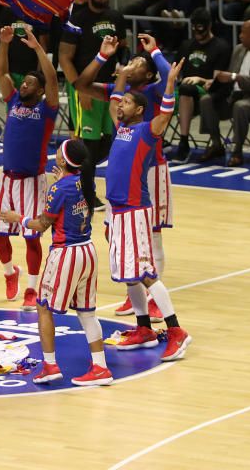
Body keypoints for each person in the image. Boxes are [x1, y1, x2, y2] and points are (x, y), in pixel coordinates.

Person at [101, 43, 191, 363]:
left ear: (139, 109)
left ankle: (176, 330)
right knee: (129, 274)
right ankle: (143, 328)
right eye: (121, 101)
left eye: (126, 102)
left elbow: (165, 113)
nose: (120, 104)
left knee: (144, 272)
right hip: (118, 211)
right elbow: (113, 99)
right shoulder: (121, 128)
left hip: (136, 209)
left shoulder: (145, 131)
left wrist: (169, 84)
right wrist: (122, 77)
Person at [75, 33, 174, 318]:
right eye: (132, 59)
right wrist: (104, 57)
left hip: (151, 169)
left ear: (148, 72)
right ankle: (136, 289)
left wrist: (154, 51)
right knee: (112, 230)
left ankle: (152, 296)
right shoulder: (122, 97)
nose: (133, 63)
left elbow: (170, 78)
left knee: (152, 235)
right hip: (123, 180)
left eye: (139, 62)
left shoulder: (154, 90)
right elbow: (80, 85)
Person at [0, 139, 112, 386]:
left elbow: (41, 225)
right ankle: (101, 367)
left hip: (66, 254)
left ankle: (50, 365)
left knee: (43, 307)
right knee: (87, 313)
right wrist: (61, 179)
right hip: (88, 251)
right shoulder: (85, 181)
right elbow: (70, 191)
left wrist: (17, 217)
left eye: (59, 153)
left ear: (63, 161)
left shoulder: (59, 189)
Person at [0, 26, 58, 308]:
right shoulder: (13, 100)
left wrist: (38, 47)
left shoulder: (47, 109)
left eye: (29, 83)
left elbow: (51, 78)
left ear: (39, 91)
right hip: (6, 179)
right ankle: (9, 272)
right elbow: (1, 73)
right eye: (23, 82)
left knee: (31, 238)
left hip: (32, 181)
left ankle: (31, 288)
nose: (23, 85)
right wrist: (3, 44)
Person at [59, 0, 127, 211]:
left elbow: (124, 49)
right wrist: (80, 87)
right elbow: (64, 58)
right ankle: (87, 195)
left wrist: (122, 70)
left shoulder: (116, 17)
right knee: (87, 143)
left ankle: (77, 181)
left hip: (109, 88)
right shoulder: (76, 20)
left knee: (107, 142)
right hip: (85, 84)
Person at [197, 19, 250, 167]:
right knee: (206, 100)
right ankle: (216, 144)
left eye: (243, 32)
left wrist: (233, 77)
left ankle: (237, 151)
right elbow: (229, 74)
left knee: (240, 107)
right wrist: (215, 81)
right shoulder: (238, 49)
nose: (240, 35)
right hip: (232, 95)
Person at [173, 8, 232, 160]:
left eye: (201, 29)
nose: (198, 33)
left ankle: (183, 142)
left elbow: (218, 81)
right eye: (195, 29)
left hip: (208, 93)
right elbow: (174, 72)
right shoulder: (186, 45)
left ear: (209, 26)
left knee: (186, 89)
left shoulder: (221, 47)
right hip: (183, 90)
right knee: (155, 94)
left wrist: (200, 79)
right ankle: (156, 141)